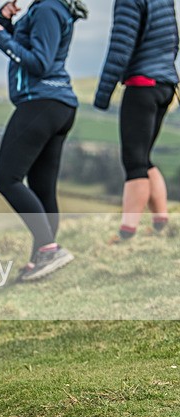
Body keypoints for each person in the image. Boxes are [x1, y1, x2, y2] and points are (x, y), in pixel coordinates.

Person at [0, 0, 87, 282]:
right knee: (42, 188)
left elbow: (39, 63)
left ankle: (49, 249)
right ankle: (42, 256)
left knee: (6, 179)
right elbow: (30, 51)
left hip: (42, 103)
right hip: (56, 105)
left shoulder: (47, 8)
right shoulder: (50, 7)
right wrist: (5, 25)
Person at [93, 0, 179, 241]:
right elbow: (173, 41)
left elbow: (120, 49)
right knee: (143, 157)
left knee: (134, 163)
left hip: (142, 86)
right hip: (165, 84)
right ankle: (161, 220)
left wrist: (103, 95)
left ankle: (126, 232)